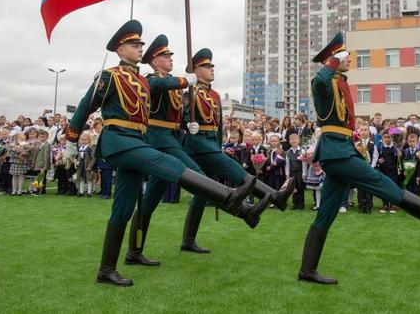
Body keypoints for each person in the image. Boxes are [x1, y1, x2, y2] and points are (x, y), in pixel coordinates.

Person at [62, 20, 257, 287]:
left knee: (125, 206)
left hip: (136, 140)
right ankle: (231, 199)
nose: (140, 47)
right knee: (171, 162)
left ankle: (109, 268)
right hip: (119, 141)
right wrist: (71, 138)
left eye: (141, 43)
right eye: (134, 44)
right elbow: (86, 105)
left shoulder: (141, 80)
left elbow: (161, 92)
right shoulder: (110, 76)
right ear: (120, 50)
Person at [297, 32, 420, 285]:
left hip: (341, 152)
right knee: (385, 186)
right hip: (337, 155)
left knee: (325, 214)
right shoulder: (324, 83)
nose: (349, 59)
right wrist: (334, 59)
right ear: (332, 58)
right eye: (344, 55)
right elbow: (319, 81)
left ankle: (307, 270)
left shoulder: (339, 83)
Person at [126, 35, 269, 266]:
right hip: (159, 141)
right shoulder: (151, 79)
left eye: (171, 55)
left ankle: (138, 250)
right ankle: (242, 210)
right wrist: (187, 81)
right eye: (165, 56)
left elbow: (177, 115)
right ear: (154, 62)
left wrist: (186, 124)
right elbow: (156, 86)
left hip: (172, 139)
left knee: (151, 199)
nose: (170, 58)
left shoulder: (175, 84)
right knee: (198, 177)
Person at [179, 47, 294, 252]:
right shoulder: (189, 91)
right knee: (234, 169)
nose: (212, 69)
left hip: (211, 145)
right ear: (196, 71)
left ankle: (188, 241)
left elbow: (219, 124)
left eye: (212, 65)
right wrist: (187, 125)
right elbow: (179, 117)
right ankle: (275, 196)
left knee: (201, 194)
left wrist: (217, 143)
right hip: (196, 146)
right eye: (207, 66)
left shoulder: (213, 95)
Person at [285, 133, 307, 210]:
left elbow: (304, 163)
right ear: (289, 141)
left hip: (300, 172)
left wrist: (304, 173)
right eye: (292, 139)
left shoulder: (302, 150)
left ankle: (301, 204)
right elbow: (287, 164)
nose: (294, 140)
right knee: (293, 188)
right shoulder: (288, 152)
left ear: (298, 141)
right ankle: (295, 204)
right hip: (292, 172)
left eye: (295, 139)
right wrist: (287, 174)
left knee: (300, 188)